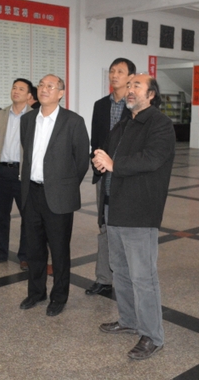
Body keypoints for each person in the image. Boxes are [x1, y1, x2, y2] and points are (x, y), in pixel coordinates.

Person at [94, 74, 175, 360]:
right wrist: (101, 160)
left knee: (143, 277)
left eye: (136, 85)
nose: (130, 89)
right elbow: (110, 158)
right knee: (120, 270)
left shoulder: (160, 124)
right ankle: (128, 320)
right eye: (128, 85)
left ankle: (153, 336)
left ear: (151, 94)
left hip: (139, 211)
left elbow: (152, 159)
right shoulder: (125, 122)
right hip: (114, 207)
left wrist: (114, 164)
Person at [19, 74, 89, 317]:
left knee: (59, 250)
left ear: (61, 93)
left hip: (59, 196)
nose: (44, 89)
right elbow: (27, 154)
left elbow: (81, 160)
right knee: (34, 249)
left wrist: (65, 186)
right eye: (41, 85)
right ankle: (36, 292)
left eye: (50, 86)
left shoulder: (73, 121)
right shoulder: (27, 120)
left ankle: (59, 297)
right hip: (31, 193)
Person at [86, 58, 134, 297]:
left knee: (126, 229)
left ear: (130, 77)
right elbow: (96, 140)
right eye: (112, 71)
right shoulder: (100, 105)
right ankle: (103, 279)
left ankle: (128, 280)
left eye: (120, 72)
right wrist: (97, 164)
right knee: (104, 226)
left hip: (126, 176)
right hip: (104, 175)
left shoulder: (136, 106)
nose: (114, 75)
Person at [0, 78, 32, 269]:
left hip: (23, 173)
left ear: (29, 95)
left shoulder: (34, 117)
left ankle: (25, 256)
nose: (16, 91)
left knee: (28, 216)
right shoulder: (1, 115)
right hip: (0, 171)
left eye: (21, 89)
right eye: (14, 88)